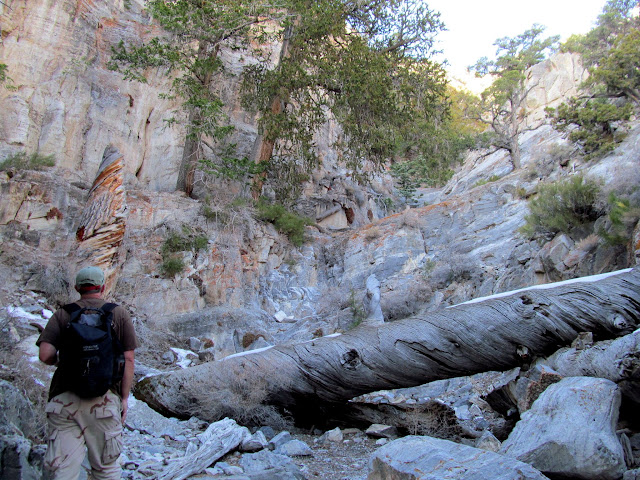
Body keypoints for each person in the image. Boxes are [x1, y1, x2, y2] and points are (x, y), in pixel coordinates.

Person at [37, 266, 138, 480]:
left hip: (64, 399)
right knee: (106, 469)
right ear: (102, 286)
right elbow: (129, 359)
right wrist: (124, 397)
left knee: (62, 470)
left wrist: (63, 362)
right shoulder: (118, 313)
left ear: (77, 288)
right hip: (104, 400)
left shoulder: (63, 314)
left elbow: (45, 355)